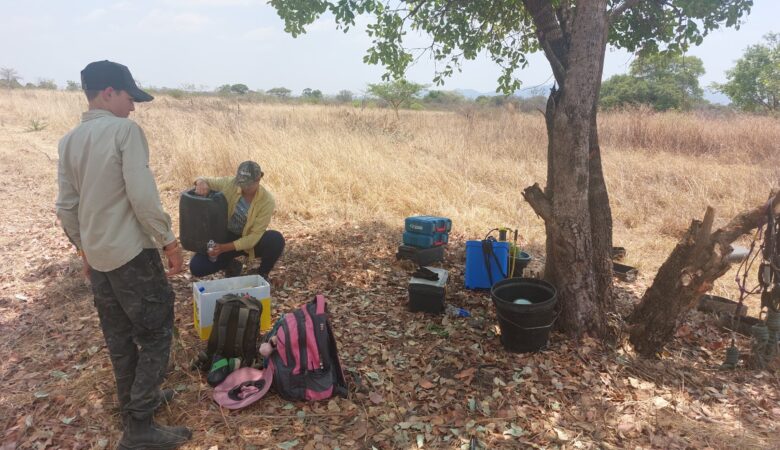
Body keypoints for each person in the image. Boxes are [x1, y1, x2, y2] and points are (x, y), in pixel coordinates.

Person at [56, 60, 191, 449]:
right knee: (155, 333)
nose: (133, 107)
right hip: (132, 254)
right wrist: (168, 241)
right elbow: (143, 196)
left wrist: (82, 248)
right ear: (109, 92)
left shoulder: (68, 141)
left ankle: (134, 404)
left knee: (118, 338)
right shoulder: (125, 132)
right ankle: (139, 428)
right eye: (129, 97)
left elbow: (66, 206)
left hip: (98, 259)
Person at [189, 161, 285, 281]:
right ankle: (230, 264)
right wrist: (200, 182)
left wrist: (223, 248)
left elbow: (254, 237)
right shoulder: (230, 183)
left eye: (248, 184)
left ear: (258, 179)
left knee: (276, 240)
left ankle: (262, 274)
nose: (244, 187)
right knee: (197, 267)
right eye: (241, 183)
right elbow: (204, 179)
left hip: (249, 242)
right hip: (225, 236)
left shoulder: (267, 201)